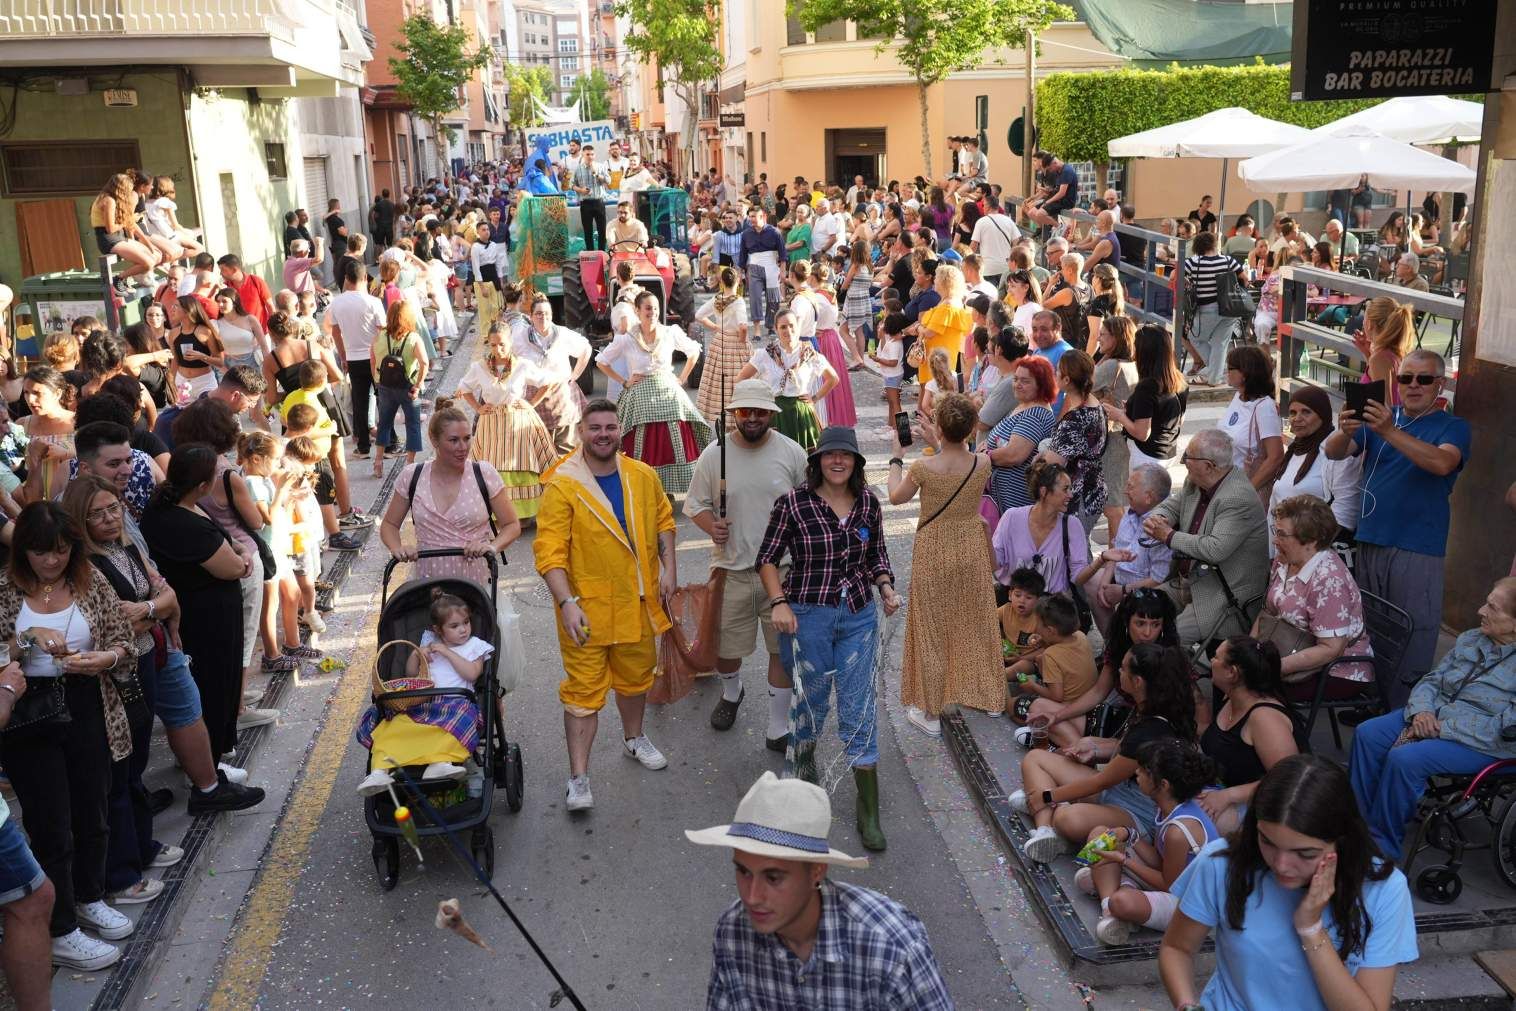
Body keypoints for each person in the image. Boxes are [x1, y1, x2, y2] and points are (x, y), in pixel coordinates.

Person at [1161, 755, 1417, 1011]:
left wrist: (1311, 928)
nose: (1281, 865)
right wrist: (1188, 1006)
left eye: (1305, 854)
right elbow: (1177, 948)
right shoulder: (1222, 862)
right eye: (1267, 842)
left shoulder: (1384, 889)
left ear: (1343, 841)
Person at [687, 771, 953, 1010]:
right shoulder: (732, 933)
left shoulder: (892, 947)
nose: (752, 896)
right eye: (744, 872)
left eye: (773, 877)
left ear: (816, 871)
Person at [0, 502, 136, 968]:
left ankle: (89, 895)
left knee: (92, 805)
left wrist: (106, 660)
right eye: (41, 552)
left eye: (60, 551)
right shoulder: (4, 590)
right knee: (49, 821)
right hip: (28, 713)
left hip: (86, 699)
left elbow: (125, 640)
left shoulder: (89, 581)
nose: (51, 561)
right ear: (24, 553)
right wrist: (26, 639)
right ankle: (60, 927)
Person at [758, 427, 900, 851]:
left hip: (858, 615)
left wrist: (887, 587)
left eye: (846, 455)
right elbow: (767, 559)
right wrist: (778, 602)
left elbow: (877, 554)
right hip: (807, 616)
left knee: (859, 709)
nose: (838, 462)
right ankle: (804, 778)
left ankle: (867, 809)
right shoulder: (793, 504)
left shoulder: (868, 504)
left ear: (856, 461)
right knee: (811, 703)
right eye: (829, 455)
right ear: (817, 460)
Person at [533, 400, 676, 814]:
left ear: (620, 431)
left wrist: (670, 570)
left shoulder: (641, 475)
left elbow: (665, 521)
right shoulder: (564, 484)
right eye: (595, 427)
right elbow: (549, 553)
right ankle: (578, 778)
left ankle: (634, 739)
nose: (603, 434)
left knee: (635, 680)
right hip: (587, 613)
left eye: (610, 427)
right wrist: (566, 603)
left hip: (638, 604)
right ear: (581, 431)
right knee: (582, 695)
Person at [1324, 349, 1470, 701]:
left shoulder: (1452, 426)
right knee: (1372, 627)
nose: (1413, 386)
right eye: (1406, 378)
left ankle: (1407, 709)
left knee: (1412, 632)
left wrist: (1387, 431)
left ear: (1441, 384)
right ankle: (1372, 701)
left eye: (1424, 379)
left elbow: (1441, 463)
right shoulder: (1383, 419)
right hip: (1371, 537)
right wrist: (1346, 431)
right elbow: (1332, 451)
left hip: (1416, 545)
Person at [1349, 577, 1516, 858]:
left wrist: (1441, 728)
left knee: (1405, 760)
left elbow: (1503, 727)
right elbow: (1433, 679)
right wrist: (1422, 711)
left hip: (1485, 741)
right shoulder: (1472, 638)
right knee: (1368, 734)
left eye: (1492, 608)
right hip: (1433, 713)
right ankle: (1354, 825)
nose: (1480, 611)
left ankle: (1381, 847)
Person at [683, 380, 808, 743]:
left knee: (780, 649)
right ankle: (731, 692)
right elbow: (695, 505)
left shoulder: (792, 453)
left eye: (759, 411)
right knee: (725, 650)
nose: (751, 418)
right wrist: (712, 527)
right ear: (734, 413)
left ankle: (777, 727)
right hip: (730, 569)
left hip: (783, 571)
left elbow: (807, 507)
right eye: (744, 411)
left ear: (771, 413)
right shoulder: (713, 455)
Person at [1016, 642, 1197, 862]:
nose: (1119, 672)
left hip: (1137, 813)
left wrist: (1047, 796)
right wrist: (1091, 747)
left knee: (1067, 819)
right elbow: (1118, 755)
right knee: (1036, 758)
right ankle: (1045, 831)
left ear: (1137, 682)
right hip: (1117, 789)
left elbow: (1101, 781)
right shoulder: (1150, 709)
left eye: (1123, 669)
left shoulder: (1153, 729)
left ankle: (1045, 806)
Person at [889, 393, 1002, 736]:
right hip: (970, 545)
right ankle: (990, 699)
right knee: (975, 619)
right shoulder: (983, 463)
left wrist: (896, 458)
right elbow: (957, 459)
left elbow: (895, 497)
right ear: (970, 429)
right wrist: (940, 440)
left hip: (934, 548)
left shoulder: (925, 468)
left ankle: (931, 713)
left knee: (932, 628)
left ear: (938, 425)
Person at [1080, 740, 1220, 946]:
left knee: (1120, 899)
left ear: (1163, 785)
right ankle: (1110, 910)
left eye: (1144, 771)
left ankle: (1117, 898)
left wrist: (1124, 861)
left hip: (1191, 905)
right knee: (1101, 835)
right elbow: (1159, 859)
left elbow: (1168, 884)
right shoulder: (1166, 805)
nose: (1136, 772)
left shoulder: (1178, 832)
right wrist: (1129, 835)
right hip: (1170, 882)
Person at [355, 588, 494, 795]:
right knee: (393, 723)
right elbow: (412, 674)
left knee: (456, 724)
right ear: (438, 630)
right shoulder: (429, 642)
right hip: (423, 700)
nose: (463, 629)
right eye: (454, 626)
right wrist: (417, 654)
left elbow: (472, 674)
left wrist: (447, 652)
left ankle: (440, 761)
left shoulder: (475, 645)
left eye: (466, 623)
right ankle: (379, 770)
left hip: (456, 701)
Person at [1142, 429, 1270, 649]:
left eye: (1187, 458)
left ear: (1209, 466)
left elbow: (1214, 548)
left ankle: (1174, 681)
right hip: (1188, 581)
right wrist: (1158, 518)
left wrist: (1168, 535)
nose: (1183, 462)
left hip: (1221, 594)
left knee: (1170, 638)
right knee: (1133, 610)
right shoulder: (1196, 482)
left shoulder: (1237, 497)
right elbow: (1172, 505)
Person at [380, 402, 523, 586]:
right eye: (454, 440)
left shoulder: (484, 474)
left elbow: (512, 525)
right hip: (428, 584)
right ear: (434, 440)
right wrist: (397, 548)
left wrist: (491, 547)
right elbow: (390, 524)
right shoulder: (412, 476)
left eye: (467, 438)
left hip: (476, 585)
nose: (463, 447)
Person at [597, 291, 709, 495]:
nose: (653, 312)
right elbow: (601, 361)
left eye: (656, 308)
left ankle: (668, 488)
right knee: (640, 437)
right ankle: (644, 486)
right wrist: (624, 381)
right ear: (637, 311)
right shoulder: (627, 338)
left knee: (675, 434)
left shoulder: (669, 332)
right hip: (639, 392)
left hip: (668, 388)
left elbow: (693, 352)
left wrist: (681, 379)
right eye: (648, 308)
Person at [1196, 636, 1302, 833]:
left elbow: (1288, 780)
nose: (1211, 661)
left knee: (1193, 824)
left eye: (1216, 657)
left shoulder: (1265, 719)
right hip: (1222, 788)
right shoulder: (1232, 697)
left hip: (1269, 808)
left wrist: (1228, 796)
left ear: (1232, 672)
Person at [456, 321, 557, 523]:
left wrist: (531, 403)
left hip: (518, 422)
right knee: (493, 468)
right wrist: (478, 407)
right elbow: (463, 388)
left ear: (510, 342)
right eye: (493, 345)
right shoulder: (480, 367)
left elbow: (547, 382)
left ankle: (524, 515)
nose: (498, 349)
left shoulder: (522, 365)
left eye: (502, 344)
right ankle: (499, 515)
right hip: (492, 425)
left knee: (522, 464)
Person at [1075, 465, 1173, 634]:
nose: (1125, 491)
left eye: (1131, 487)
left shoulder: (1160, 525)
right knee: (1092, 581)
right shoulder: (1131, 513)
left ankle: (1129, 646)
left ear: (1149, 497)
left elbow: (1159, 579)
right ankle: (1111, 643)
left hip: (1146, 590)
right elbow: (1116, 551)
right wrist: (1105, 584)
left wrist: (1123, 591)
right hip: (1121, 581)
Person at [1269, 387, 1362, 547]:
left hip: (1317, 552)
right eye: (1292, 412)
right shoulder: (1294, 450)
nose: (1297, 418)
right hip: (1287, 550)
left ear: (1322, 414)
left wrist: (1309, 550)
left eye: (1306, 412)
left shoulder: (1338, 450)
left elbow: (1345, 509)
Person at [736, 309, 836, 452]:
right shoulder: (765, 355)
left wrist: (814, 398)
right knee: (774, 459)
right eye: (783, 327)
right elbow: (741, 379)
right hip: (774, 413)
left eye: (791, 325)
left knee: (805, 462)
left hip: (801, 414)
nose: (788, 330)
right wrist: (758, 401)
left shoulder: (810, 355)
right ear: (776, 329)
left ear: (798, 327)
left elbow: (833, 379)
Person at [1039, 350, 1107, 536]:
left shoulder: (1075, 419)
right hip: (1093, 489)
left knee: (1075, 552)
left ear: (1067, 380)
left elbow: (1054, 461)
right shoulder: (1094, 405)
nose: (1055, 374)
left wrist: (1043, 451)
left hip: (1078, 495)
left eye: (1058, 371)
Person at [1103, 323, 1188, 472]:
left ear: (1144, 352)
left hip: (1146, 455)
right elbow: (1178, 419)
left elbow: (1142, 434)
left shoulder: (1147, 387)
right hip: (1168, 451)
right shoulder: (1179, 380)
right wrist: (1134, 409)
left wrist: (1119, 416)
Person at [514, 295, 592, 455]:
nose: (543, 317)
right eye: (539, 314)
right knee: (539, 454)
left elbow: (586, 348)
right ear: (531, 317)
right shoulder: (520, 338)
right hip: (533, 401)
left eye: (547, 314)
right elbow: (508, 361)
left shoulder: (562, 334)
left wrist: (575, 376)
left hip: (561, 401)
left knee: (567, 453)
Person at [326, 259, 386, 459]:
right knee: (382, 400)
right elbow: (382, 332)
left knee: (359, 402)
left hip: (352, 358)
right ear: (364, 278)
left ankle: (362, 446)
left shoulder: (337, 302)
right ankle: (388, 441)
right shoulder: (373, 302)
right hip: (375, 358)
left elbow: (335, 333)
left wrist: (343, 357)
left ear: (346, 278)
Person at [370, 299, 429, 479]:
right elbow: (424, 362)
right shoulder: (413, 338)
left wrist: (377, 379)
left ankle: (378, 462)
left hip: (385, 386)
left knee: (384, 424)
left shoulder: (379, 336)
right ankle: (409, 466)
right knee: (412, 424)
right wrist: (418, 385)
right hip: (408, 387)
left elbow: (372, 360)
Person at [1217, 345, 1284, 495]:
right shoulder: (1238, 397)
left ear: (1246, 373)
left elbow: (1276, 456)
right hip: (1225, 484)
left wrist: (1248, 491)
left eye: (1231, 368)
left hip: (1243, 489)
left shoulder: (1264, 407)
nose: (1227, 371)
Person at [1183, 231, 1246, 388]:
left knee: (1194, 337)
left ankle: (1214, 373)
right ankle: (1214, 378)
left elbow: (1174, 277)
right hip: (1230, 307)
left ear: (1197, 246)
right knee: (1220, 343)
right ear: (1214, 244)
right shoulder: (1228, 260)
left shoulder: (1192, 262)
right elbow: (1244, 277)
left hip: (1207, 308)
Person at [694, 266, 751, 426]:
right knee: (736, 379)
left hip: (720, 341)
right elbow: (743, 326)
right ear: (738, 281)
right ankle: (737, 415)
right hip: (734, 342)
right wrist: (742, 341)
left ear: (722, 282)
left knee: (718, 381)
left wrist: (715, 327)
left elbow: (699, 315)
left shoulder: (716, 299)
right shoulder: (738, 301)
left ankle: (720, 414)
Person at [167, 295, 224, 402]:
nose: (172, 309)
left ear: (187, 310)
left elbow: (220, 362)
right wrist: (171, 383)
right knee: (185, 416)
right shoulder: (173, 333)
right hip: (182, 382)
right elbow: (175, 361)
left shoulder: (206, 332)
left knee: (209, 415)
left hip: (204, 383)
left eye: (176, 306)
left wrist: (202, 356)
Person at [738, 206, 784, 337]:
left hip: (771, 267)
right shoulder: (746, 234)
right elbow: (743, 256)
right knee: (755, 298)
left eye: (754, 216)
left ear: (763, 216)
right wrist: (740, 274)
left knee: (773, 299)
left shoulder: (775, 232)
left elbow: (783, 255)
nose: (751, 219)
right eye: (750, 216)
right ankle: (757, 330)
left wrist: (783, 272)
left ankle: (771, 326)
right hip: (754, 268)